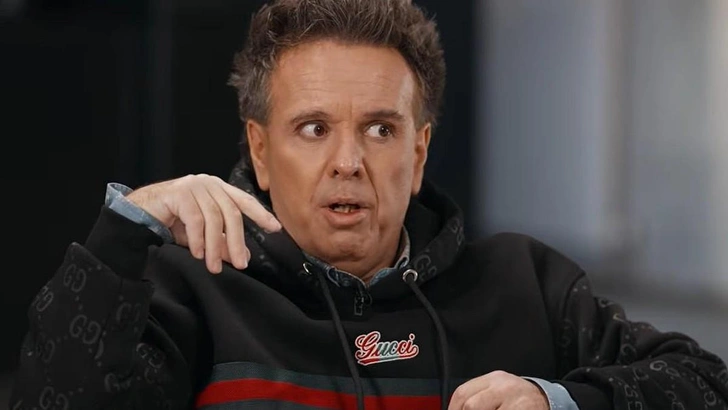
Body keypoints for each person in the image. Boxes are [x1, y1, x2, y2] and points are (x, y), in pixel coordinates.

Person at [9, 0, 728, 409]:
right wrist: (123, 236)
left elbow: (704, 383)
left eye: (381, 130)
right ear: (260, 150)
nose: (348, 162)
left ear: (419, 153)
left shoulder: (527, 287)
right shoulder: (186, 288)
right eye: (313, 129)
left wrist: (558, 401)